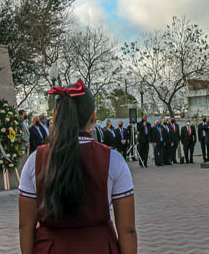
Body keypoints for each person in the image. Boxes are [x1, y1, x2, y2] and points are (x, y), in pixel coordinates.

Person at [18, 79, 137, 254]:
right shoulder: (113, 160)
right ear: (93, 117)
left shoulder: (35, 159)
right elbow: (128, 230)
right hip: (99, 247)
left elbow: (25, 226)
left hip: (50, 248)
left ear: (55, 116)